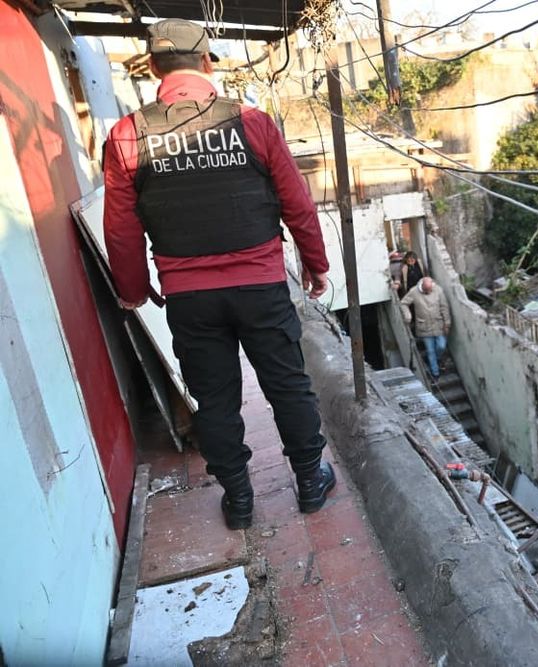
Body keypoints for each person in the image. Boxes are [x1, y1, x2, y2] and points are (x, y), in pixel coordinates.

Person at [103, 19, 336, 530]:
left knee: (215, 400)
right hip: (261, 287)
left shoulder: (126, 136)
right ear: (208, 63)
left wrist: (133, 291)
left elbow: (120, 230)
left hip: (190, 298)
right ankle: (310, 483)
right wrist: (315, 266)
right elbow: (299, 206)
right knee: (287, 385)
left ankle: (240, 500)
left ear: (154, 69)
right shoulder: (253, 122)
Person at [399, 277, 451, 379]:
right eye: (428, 290)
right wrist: (408, 315)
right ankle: (435, 373)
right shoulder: (414, 291)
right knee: (430, 351)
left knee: (441, 346)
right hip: (424, 326)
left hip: (438, 324)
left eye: (431, 289)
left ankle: (437, 359)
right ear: (422, 287)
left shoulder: (438, 290)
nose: (430, 291)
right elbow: (403, 303)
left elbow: (444, 307)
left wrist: (447, 323)